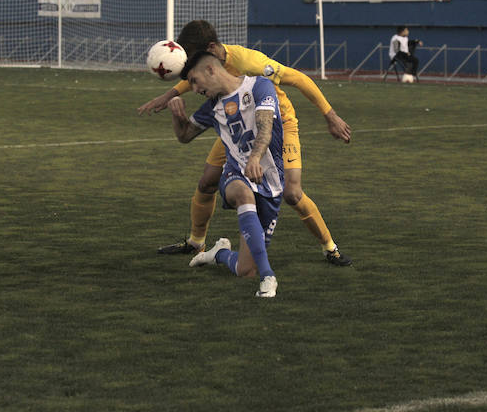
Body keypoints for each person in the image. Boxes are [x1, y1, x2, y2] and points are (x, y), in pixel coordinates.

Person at [140, 20, 353, 266]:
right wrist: (170, 94)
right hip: (237, 124)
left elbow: (298, 78)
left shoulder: (248, 62)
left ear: (210, 49)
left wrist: (330, 115)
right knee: (207, 181)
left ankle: (330, 247)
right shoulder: (209, 65)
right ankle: (196, 242)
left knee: (292, 193)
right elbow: (195, 79)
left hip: (277, 123)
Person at [170, 52, 283, 298]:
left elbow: (265, 127)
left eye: (195, 80)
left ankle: (219, 253)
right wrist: (178, 117)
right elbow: (184, 136)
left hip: (269, 182)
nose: (195, 88)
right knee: (242, 193)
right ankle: (268, 277)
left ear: (211, 69)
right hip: (236, 173)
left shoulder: (259, 85)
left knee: (245, 269)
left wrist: (255, 158)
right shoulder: (212, 107)